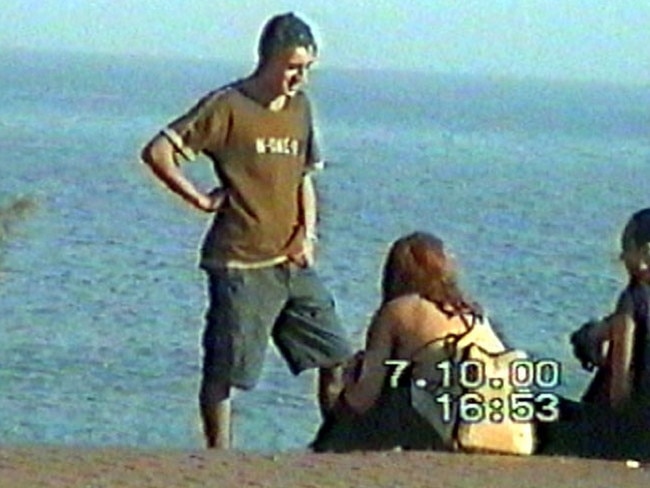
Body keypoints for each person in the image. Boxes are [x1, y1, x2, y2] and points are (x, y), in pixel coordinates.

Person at [140, 12, 352, 449]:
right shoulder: (227, 106)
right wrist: (199, 200)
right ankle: (219, 457)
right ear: (270, 59)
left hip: (290, 261)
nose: (300, 78)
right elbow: (160, 151)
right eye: (294, 67)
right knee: (227, 370)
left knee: (336, 353)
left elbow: (303, 177)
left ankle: (333, 446)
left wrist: (306, 235)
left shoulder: (299, 108)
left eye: (308, 68)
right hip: (239, 262)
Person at [312, 231, 518, 452]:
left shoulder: (396, 310)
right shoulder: (472, 312)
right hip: (493, 419)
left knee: (390, 386)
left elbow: (364, 397)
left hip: (440, 423)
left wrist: (345, 380)